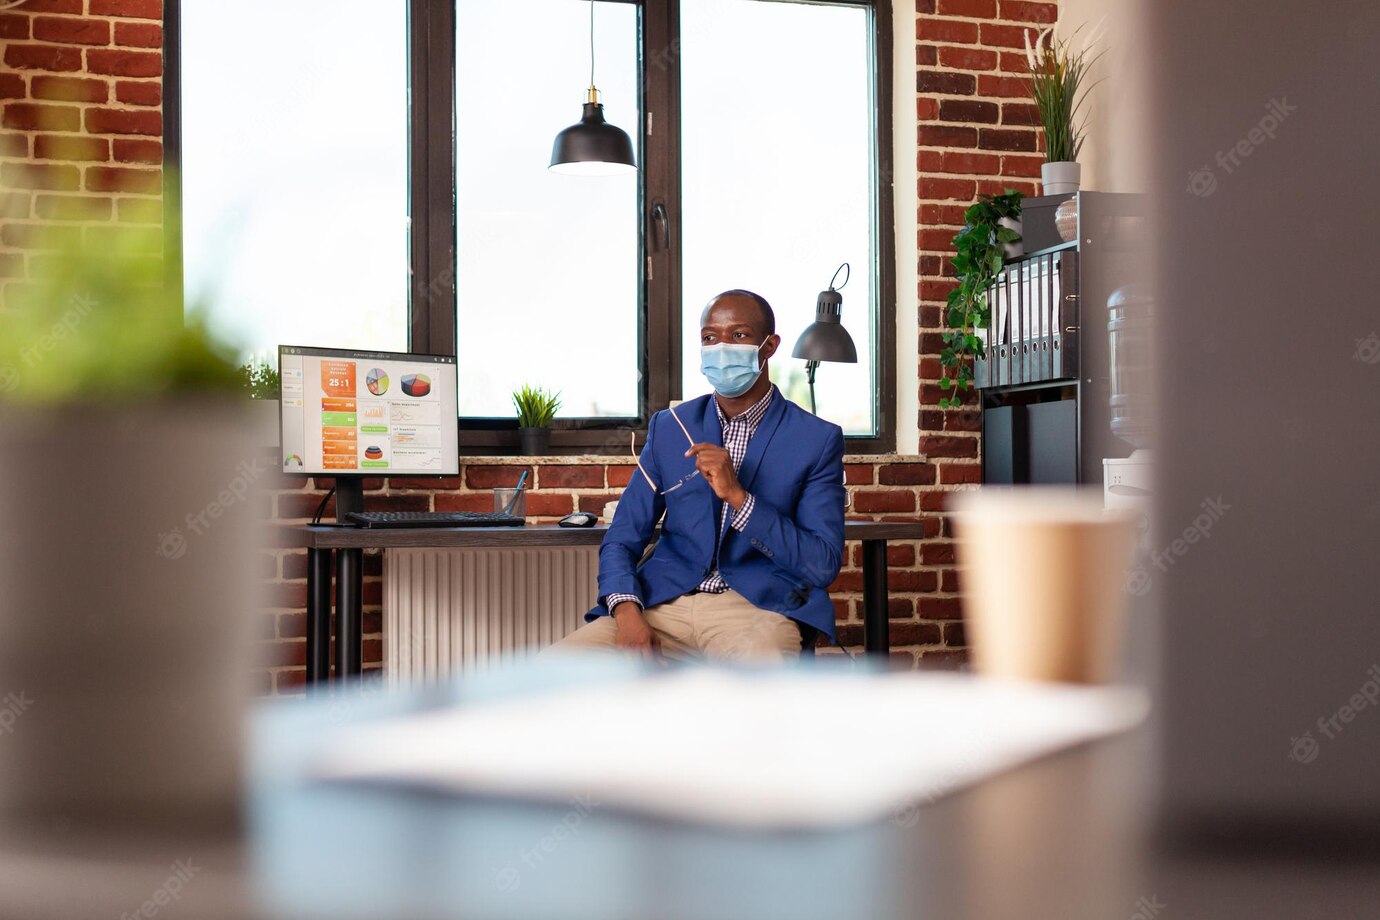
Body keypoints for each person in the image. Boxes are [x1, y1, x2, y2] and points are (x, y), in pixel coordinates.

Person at [546, 289, 846, 662]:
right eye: (709, 338)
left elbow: (821, 564)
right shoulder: (671, 427)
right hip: (663, 603)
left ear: (769, 347)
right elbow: (623, 538)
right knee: (551, 676)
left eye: (738, 336)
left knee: (760, 681)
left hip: (757, 608)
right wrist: (626, 611)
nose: (721, 347)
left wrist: (739, 497)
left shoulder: (816, 439)